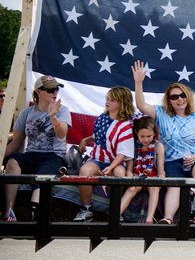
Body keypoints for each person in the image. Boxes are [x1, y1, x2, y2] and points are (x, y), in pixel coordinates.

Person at [132, 60, 195, 225]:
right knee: (174, 185)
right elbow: (141, 105)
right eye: (174, 97)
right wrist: (138, 82)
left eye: (183, 95)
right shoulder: (162, 113)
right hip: (172, 161)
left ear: (188, 97)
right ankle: (168, 218)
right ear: (169, 100)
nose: (179, 99)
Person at [2, 75, 71, 222]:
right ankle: (9, 211)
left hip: (54, 155)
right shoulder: (26, 113)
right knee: (13, 162)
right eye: (50, 89)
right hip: (31, 154)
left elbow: (62, 134)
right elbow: (15, 143)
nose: (55, 92)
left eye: (56, 89)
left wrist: (53, 117)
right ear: (38, 91)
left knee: (42, 174)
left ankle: (33, 212)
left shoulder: (63, 110)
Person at [73, 86, 135, 222]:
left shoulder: (125, 125)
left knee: (119, 174)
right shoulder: (102, 118)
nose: (108, 102)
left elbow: (123, 153)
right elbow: (99, 136)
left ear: (122, 103)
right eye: (107, 98)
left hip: (116, 161)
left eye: (112, 100)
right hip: (97, 159)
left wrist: (111, 167)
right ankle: (86, 209)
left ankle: (116, 211)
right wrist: (86, 139)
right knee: (84, 171)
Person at [119, 116, 165, 223]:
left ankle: (149, 218)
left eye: (149, 136)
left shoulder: (158, 146)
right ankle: (116, 214)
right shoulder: (133, 146)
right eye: (142, 136)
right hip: (137, 176)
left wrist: (161, 175)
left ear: (154, 133)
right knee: (132, 189)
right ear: (136, 132)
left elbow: (161, 169)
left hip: (152, 176)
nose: (145, 139)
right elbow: (130, 169)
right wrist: (130, 177)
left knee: (154, 189)